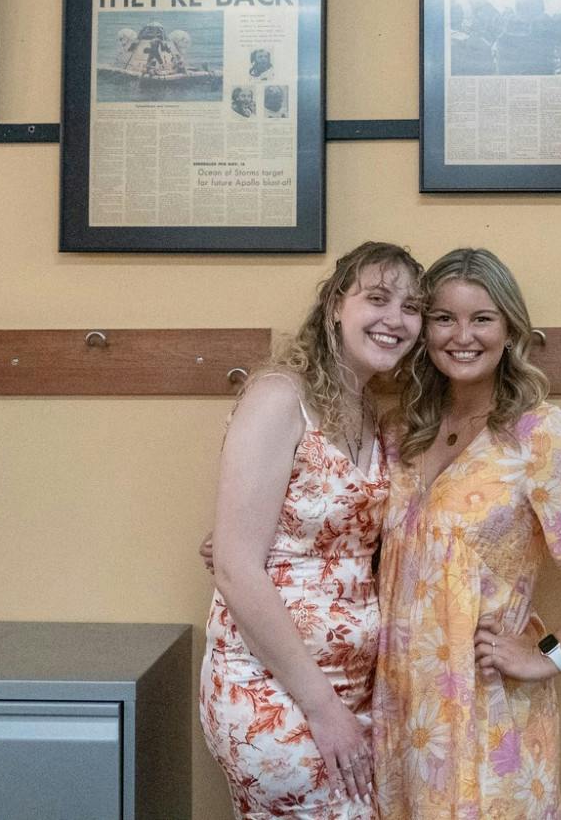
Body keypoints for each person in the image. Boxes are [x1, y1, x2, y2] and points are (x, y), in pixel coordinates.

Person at [374, 248, 561, 819]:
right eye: (444, 318)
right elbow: (360, 535)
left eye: (483, 318)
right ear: (423, 329)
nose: (463, 336)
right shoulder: (402, 431)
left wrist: (548, 654)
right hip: (401, 705)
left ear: (510, 330)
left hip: (487, 710)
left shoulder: (538, 435)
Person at [200, 242, 424, 820]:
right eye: (377, 299)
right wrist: (322, 706)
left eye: (411, 307)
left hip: (353, 689)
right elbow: (235, 565)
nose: (395, 319)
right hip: (276, 685)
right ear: (334, 308)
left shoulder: (374, 414)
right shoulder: (281, 397)